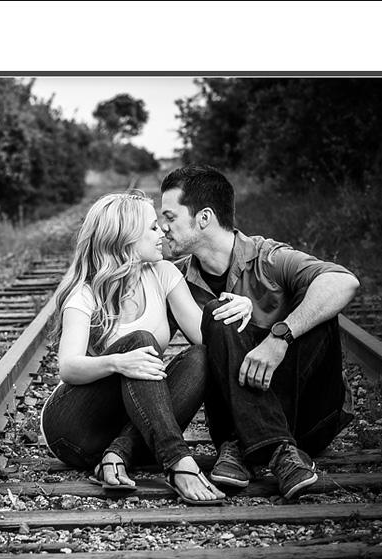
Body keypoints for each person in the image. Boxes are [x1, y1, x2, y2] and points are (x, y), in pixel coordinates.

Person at [158, 164, 359, 500]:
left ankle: (247, 442)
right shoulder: (177, 281)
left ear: (203, 218)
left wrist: (279, 337)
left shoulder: (269, 258)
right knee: (218, 315)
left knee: (317, 310)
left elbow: (344, 281)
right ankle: (277, 449)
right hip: (239, 434)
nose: (161, 228)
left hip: (307, 421)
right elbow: (136, 331)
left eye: (169, 216)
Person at [39, 191, 253, 505]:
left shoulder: (163, 275)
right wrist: (118, 363)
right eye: (152, 228)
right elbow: (68, 367)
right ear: (126, 237)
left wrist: (241, 305)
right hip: (73, 428)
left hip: (130, 428)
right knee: (141, 342)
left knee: (201, 357)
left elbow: (205, 338)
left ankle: (118, 455)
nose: (162, 233)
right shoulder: (85, 293)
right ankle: (178, 460)